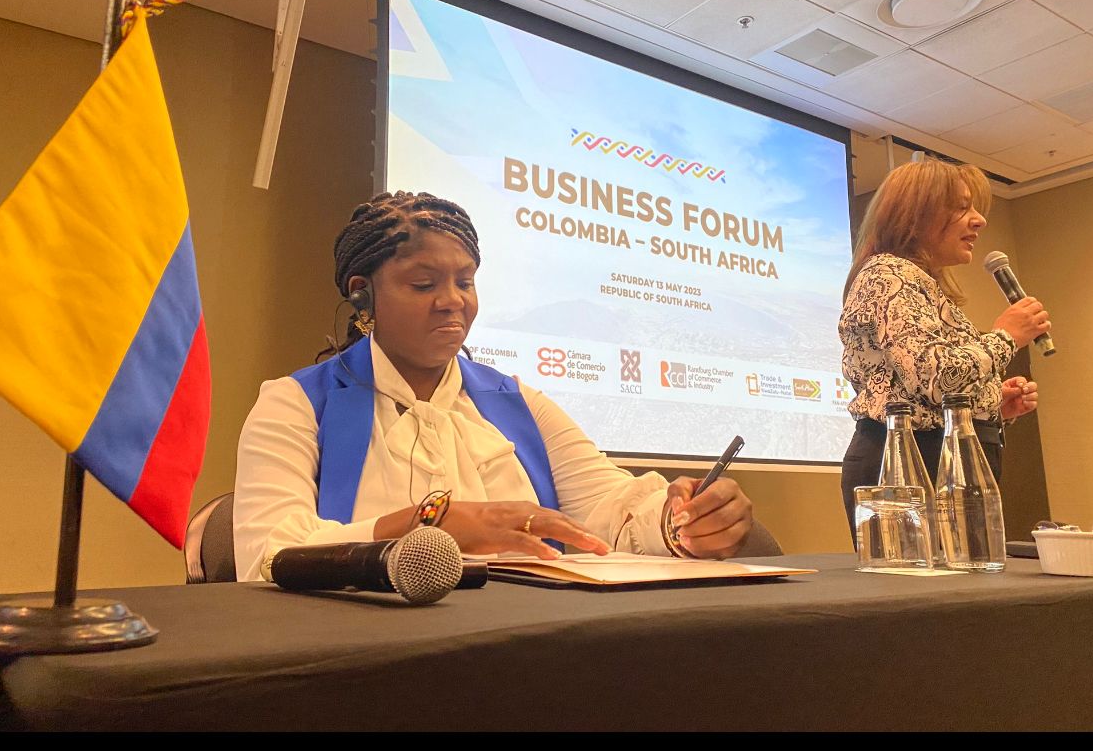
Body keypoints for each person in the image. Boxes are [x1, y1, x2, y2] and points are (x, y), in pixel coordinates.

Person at [234, 191, 757, 580]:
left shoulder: (517, 402)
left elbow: (609, 507)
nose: (452, 301)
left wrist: (680, 520)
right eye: (424, 284)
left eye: (465, 282)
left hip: (526, 653)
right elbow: (267, 556)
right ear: (362, 293)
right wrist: (424, 525)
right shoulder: (296, 404)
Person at [838, 158, 1048, 535]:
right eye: (962, 207)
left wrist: (990, 401)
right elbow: (935, 376)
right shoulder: (887, 275)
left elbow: (922, 385)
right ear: (915, 215)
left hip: (937, 458)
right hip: (906, 463)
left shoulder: (921, 284)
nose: (979, 220)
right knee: (926, 593)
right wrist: (1006, 336)